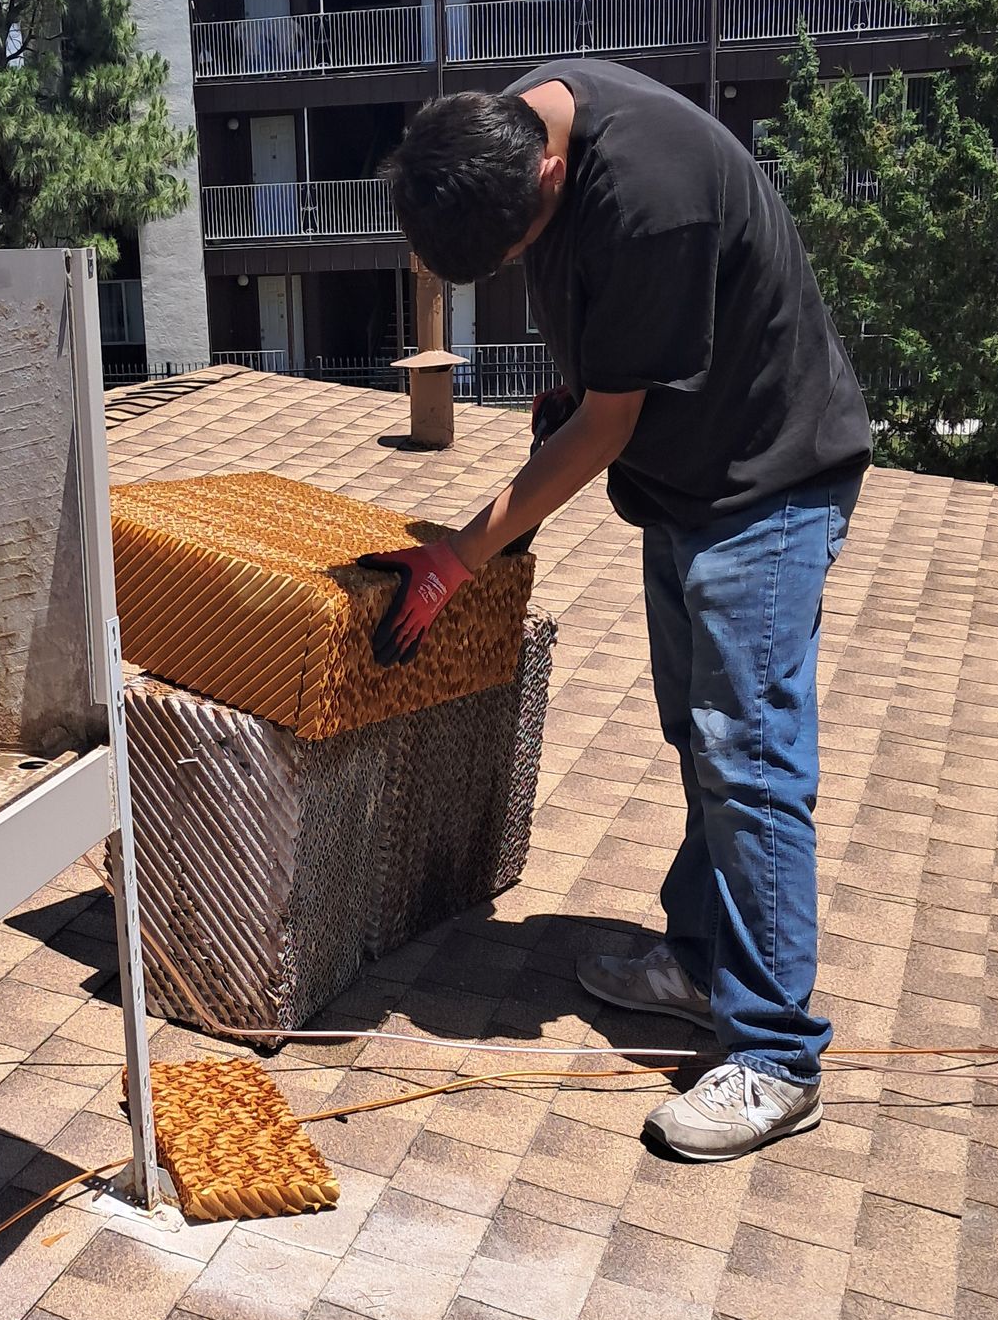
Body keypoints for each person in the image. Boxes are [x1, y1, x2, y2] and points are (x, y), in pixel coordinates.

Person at [369, 65, 871, 1161]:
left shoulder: (650, 194)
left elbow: (604, 431)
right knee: (702, 737)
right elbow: (606, 372)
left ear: (548, 173)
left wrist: (458, 558)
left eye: (519, 250)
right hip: (689, 476)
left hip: (767, 480)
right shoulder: (504, 138)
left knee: (750, 758)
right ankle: (702, 963)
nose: (521, 265)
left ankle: (778, 1057)